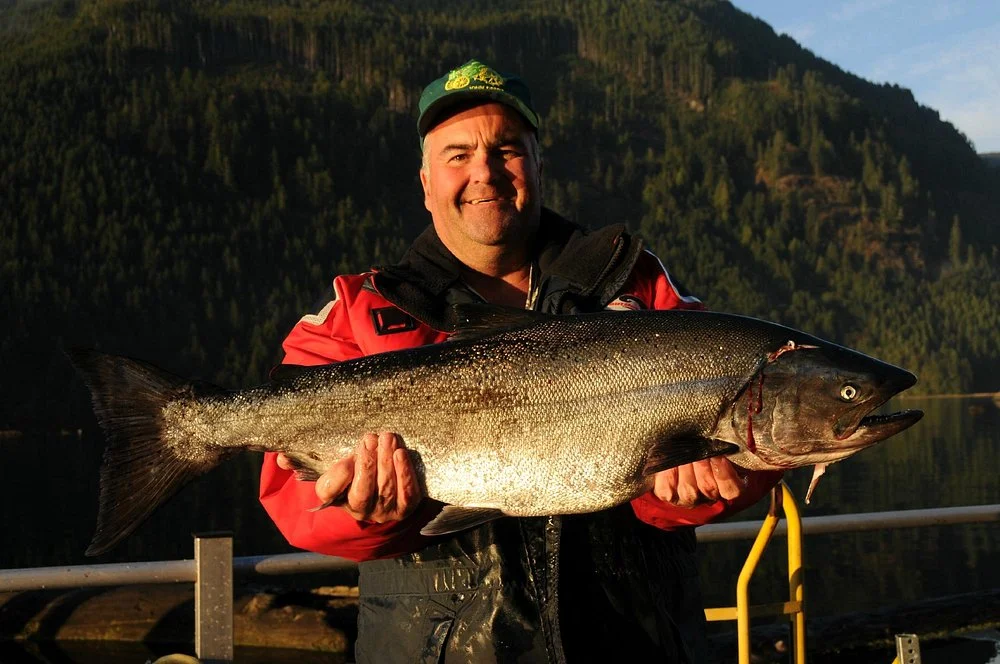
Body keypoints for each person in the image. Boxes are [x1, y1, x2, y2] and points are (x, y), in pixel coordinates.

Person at [260, 59, 782, 663]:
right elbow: (289, 496)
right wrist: (366, 515)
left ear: (537, 166)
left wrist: (693, 492)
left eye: (505, 150)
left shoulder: (637, 284)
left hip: (635, 646)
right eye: (458, 155)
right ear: (425, 182)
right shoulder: (359, 309)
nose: (484, 171)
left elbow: (754, 431)